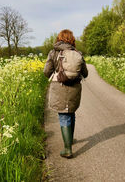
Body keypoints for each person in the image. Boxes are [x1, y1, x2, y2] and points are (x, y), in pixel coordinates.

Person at [43, 29, 88, 158]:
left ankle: (67, 149)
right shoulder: (77, 53)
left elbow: (46, 72)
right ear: (72, 39)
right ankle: (70, 139)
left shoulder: (53, 53)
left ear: (59, 39)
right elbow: (85, 73)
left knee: (63, 115)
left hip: (59, 87)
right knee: (71, 112)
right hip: (74, 88)